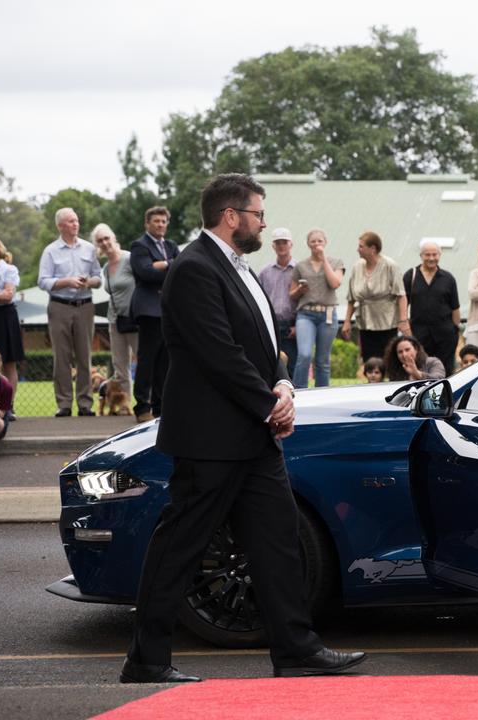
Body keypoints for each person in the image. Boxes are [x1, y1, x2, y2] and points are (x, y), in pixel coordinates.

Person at [121, 173, 364, 684]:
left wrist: (282, 384)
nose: (264, 222)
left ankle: (296, 651)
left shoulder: (239, 267)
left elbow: (263, 343)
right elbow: (217, 354)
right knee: (180, 546)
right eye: (258, 213)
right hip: (211, 441)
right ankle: (146, 661)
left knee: (277, 542)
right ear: (231, 216)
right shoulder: (192, 268)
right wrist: (268, 404)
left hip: (253, 440)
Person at [39, 207, 102, 417]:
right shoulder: (50, 251)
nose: (76, 224)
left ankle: (85, 404)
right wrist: (66, 281)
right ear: (60, 226)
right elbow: (42, 281)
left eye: (76, 220)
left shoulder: (89, 249)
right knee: (62, 357)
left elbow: (98, 278)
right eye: (71, 221)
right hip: (59, 307)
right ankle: (64, 404)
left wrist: (88, 282)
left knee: (85, 356)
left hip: (85, 306)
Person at [129, 206, 180, 422]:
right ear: (147, 224)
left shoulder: (171, 245)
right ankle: (142, 407)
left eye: (163, 221)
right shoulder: (139, 245)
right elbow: (145, 272)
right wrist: (171, 266)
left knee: (166, 361)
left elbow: (183, 269)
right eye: (156, 221)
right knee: (148, 359)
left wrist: (164, 265)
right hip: (149, 311)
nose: (160, 224)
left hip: (169, 310)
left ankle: (160, 407)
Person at [342, 231, 409, 366]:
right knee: (369, 361)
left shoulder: (390, 265)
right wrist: (347, 321)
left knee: (388, 360)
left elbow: (401, 295)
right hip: (365, 322)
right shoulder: (357, 267)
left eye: (361, 246)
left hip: (387, 322)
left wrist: (403, 320)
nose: (357, 249)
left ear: (372, 249)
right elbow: (351, 298)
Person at [289, 229, 344, 388]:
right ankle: (299, 391)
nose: (316, 244)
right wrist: (300, 290)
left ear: (325, 242)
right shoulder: (300, 266)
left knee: (322, 360)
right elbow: (291, 294)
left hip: (327, 314)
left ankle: (322, 393)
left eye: (320, 241)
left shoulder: (336, 262)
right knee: (304, 355)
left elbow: (335, 283)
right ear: (308, 244)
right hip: (306, 314)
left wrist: (323, 259)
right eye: (313, 241)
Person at [403, 240, 460, 374]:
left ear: (439, 255)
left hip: (445, 334)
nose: (431, 258)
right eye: (427, 255)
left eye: (435, 255)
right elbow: (403, 305)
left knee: (446, 372)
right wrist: (406, 329)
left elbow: (455, 308)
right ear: (421, 256)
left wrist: (455, 330)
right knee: (421, 369)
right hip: (418, 334)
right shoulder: (411, 276)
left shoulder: (448, 278)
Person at [92, 225, 137, 391]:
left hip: (134, 318)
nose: (104, 242)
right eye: (100, 240)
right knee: (119, 364)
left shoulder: (129, 259)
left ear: (113, 238)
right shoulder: (105, 268)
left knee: (144, 360)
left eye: (106, 238)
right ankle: (125, 404)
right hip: (115, 320)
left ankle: (150, 403)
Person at [257, 228, 299, 379]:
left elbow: (305, 299)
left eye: (284, 242)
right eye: (278, 243)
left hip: (291, 327)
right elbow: (258, 299)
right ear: (273, 246)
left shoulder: (299, 270)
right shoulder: (264, 272)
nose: (281, 246)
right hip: (271, 326)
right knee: (271, 365)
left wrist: (298, 324)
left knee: (292, 366)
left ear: (291, 244)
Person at [0, 235, 24, 390]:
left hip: (5, 317)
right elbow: (2, 294)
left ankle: (8, 406)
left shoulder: (9, 269)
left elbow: (8, 294)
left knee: (9, 363)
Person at [382, 334, 446, 381]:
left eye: (407, 350)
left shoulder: (432, 362)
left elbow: (440, 379)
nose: (404, 354)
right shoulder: (395, 369)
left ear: (416, 349)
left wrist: (417, 374)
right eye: (400, 352)